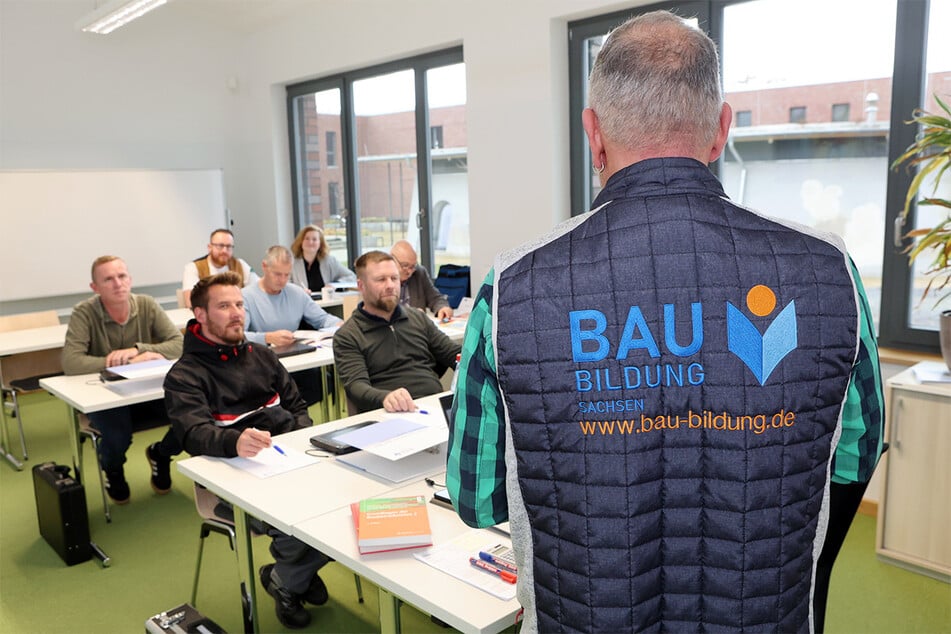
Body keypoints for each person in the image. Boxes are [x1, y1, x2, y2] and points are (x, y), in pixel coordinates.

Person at [446, 11, 884, 634]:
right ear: (722, 129)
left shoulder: (512, 285)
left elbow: (476, 494)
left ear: (593, 134)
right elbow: (855, 455)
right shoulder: (829, 271)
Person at [164, 272, 330, 629]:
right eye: (224, 306)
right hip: (229, 479)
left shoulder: (263, 356)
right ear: (200, 315)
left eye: (239, 304)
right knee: (300, 516)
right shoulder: (185, 374)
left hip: (287, 463)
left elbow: (298, 407)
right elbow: (192, 433)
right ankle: (295, 577)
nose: (237, 312)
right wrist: (234, 442)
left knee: (344, 503)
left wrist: (298, 440)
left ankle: (286, 577)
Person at [62, 256, 184, 504]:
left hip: (146, 390)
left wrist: (141, 350)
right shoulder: (84, 312)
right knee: (117, 437)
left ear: (130, 279)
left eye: (122, 276)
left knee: (190, 415)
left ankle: (161, 454)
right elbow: (71, 362)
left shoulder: (146, 304)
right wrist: (120, 364)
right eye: (108, 279)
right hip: (105, 396)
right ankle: (113, 468)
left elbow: (179, 344)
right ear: (95, 287)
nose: (118, 284)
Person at [333, 250, 460, 413]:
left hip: (432, 406)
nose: (390, 286)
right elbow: (356, 386)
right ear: (361, 285)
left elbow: (453, 354)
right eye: (381, 280)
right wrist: (385, 397)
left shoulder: (417, 318)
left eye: (394, 278)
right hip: (387, 413)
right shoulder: (348, 335)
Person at [243, 245, 343, 404]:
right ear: (264, 267)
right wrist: (267, 337)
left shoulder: (295, 292)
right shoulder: (246, 296)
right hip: (263, 363)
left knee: (324, 382)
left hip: (295, 359)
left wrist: (340, 324)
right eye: (277, 274)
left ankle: (295, 414)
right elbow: (238, 336)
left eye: (287, 275)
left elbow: (322, 318)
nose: (282, 280)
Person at [181, 228, 256, 308]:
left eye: (229, 246)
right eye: (220, 246)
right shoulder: (193, 267)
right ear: (210, 247)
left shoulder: (240, 264)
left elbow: (257, 290)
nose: (224, 251)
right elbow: (190, 302)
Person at [390, 240, 452, 321]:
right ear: (391, 260)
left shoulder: (419, 273)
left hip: (418, 327)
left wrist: (443, 307)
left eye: (412, 266)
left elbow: (435, 298)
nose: (409, 271)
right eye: (405, 265)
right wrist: (410, 313)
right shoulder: (381, 280)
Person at [289, 224, 356, 292]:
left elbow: (351, 277)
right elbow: (286, 284)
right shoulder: (291, 263)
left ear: (320, 243)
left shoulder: (330, 261)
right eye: (307, 239)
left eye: (314, 239)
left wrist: (335, 285)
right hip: (301, 298)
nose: (310, 242)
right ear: (301, 242)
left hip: (327, 299)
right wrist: (299, 291)